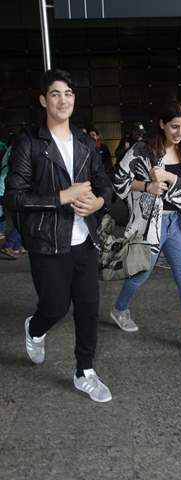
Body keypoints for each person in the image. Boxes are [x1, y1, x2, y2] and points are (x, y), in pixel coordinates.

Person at [5, 69, 113, 402]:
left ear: (74, 99)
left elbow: (105, 183)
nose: (62, 99)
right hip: (47, 243)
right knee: (54, 307)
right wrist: (61, 197)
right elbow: (13, 197)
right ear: (43, 100)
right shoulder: (30, 144)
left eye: (68, 93)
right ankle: (35, 329)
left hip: (85, 241)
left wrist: (98, 202)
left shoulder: (84, 142)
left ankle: (85, 372)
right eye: (54, 93)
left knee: (88, 307)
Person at [111, 101, 181, 352]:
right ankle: (119, 309)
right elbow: (119, 180)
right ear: (162, 124)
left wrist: (171, 178)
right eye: (175, 126)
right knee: (142, 273)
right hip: (152, 223)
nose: (180, 132)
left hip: (177, 222)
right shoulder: (143, 150)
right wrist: (147, 186)